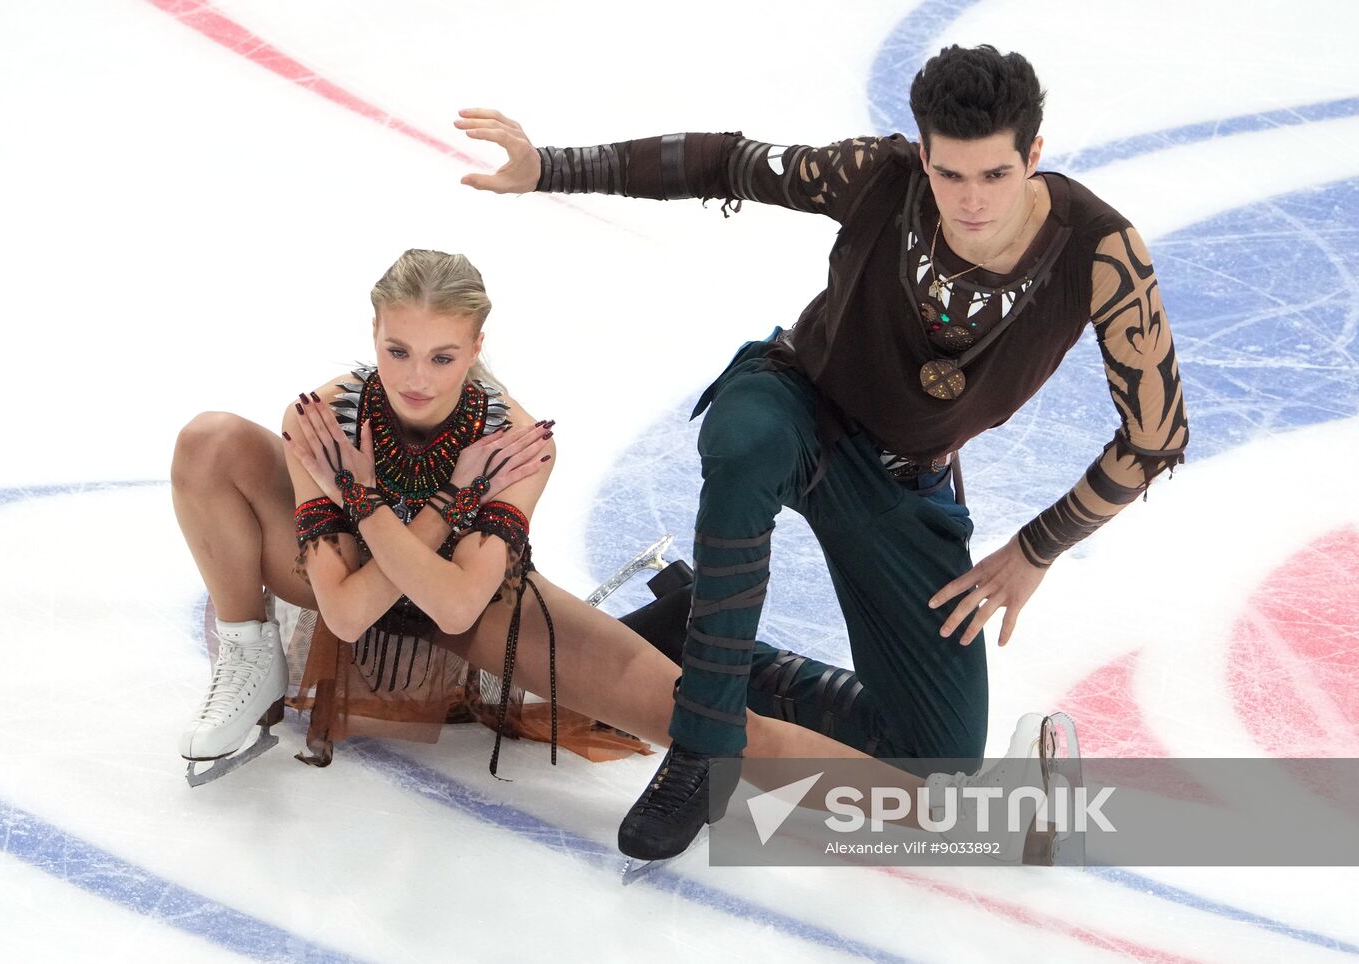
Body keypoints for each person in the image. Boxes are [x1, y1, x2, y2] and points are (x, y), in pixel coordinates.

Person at [457, 43, 1188, 861]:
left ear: (1035, 156)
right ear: (923, 155)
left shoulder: (1100, 254)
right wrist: (548, 166)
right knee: (743, 441)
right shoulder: (879, 176)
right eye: (950, 175)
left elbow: (1157, 434)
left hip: (906, 482)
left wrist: (1036, 549)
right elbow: (727, 163)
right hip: (799, 406)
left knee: (935, 763)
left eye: (995, 176)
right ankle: (701, 752)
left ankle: (689, 630)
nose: (971, 200)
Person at [174, 249, 1055, 836]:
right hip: (350, 588)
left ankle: (982, 815)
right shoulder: (325, 411)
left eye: (442, 357)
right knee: (211, 439)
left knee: (709, 728)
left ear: (477, 348)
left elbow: (448, 602)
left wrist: (370, 498)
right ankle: (251, 655)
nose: (415, 377)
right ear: (373, 337)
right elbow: (346, 606)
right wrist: (435, 499)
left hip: (486, 618)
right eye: (398, 351)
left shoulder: (517, 437)